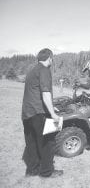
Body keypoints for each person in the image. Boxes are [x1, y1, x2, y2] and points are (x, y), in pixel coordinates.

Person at [22, 48, 63, 178]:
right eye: (52, 59)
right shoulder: (44, 70)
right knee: (48, 142)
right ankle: (46, 172)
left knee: (32, 143)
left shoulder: (32, 71)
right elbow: (45, 93)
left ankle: (32, 170)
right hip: (38, 113)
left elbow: (35, 92)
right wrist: (53, 114)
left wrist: (52, 106)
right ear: (50, 58)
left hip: (27, 114)